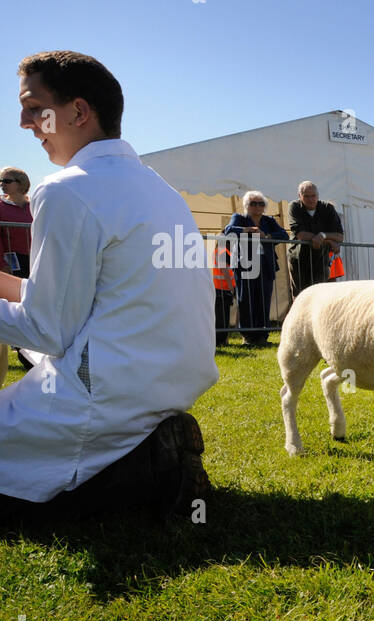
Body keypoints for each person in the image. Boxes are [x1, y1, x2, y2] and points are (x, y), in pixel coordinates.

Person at [0, 51, 218, 519]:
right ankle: (147, 448)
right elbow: (84, 297)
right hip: (164, 381)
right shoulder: (159, 189)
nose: (23, 121)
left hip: (105, 390)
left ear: (78, 112)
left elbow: (46, 331)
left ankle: (143, 471)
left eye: (35, 107)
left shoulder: (66, 189)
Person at [221, 190, 288, 345]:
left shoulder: (269, 221)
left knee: (263, 300)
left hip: (265, 264)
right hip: (245, 265)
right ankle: (248, 337)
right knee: (246, 300)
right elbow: (228, 230)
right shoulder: (239, 218)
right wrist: (247, 230)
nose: (257, 207)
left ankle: (262, 336)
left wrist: (267, 236)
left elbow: (284, 235)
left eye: (260, 203)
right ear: (246, 205)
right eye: (253, 203)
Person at [287, 180, 343, 299]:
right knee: (300, 297)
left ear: (318, 195)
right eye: (306, 196)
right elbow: (300, 234)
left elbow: (339, 236)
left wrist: (322, 236)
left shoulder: (328, 208)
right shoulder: (294, 207)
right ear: (300, 196)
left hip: (321, 259)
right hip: (298, 259)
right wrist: (328, 240)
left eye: (313, 196)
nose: (311, 199)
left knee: (320, 295)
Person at [0, 167, 32, 278]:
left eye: (7, 181)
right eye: (1, 181)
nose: (2, 184)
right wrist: (2, 264)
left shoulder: (34, 205)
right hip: (11, 261)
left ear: (21, 182)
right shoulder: (1, 206)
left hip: (35, 258)